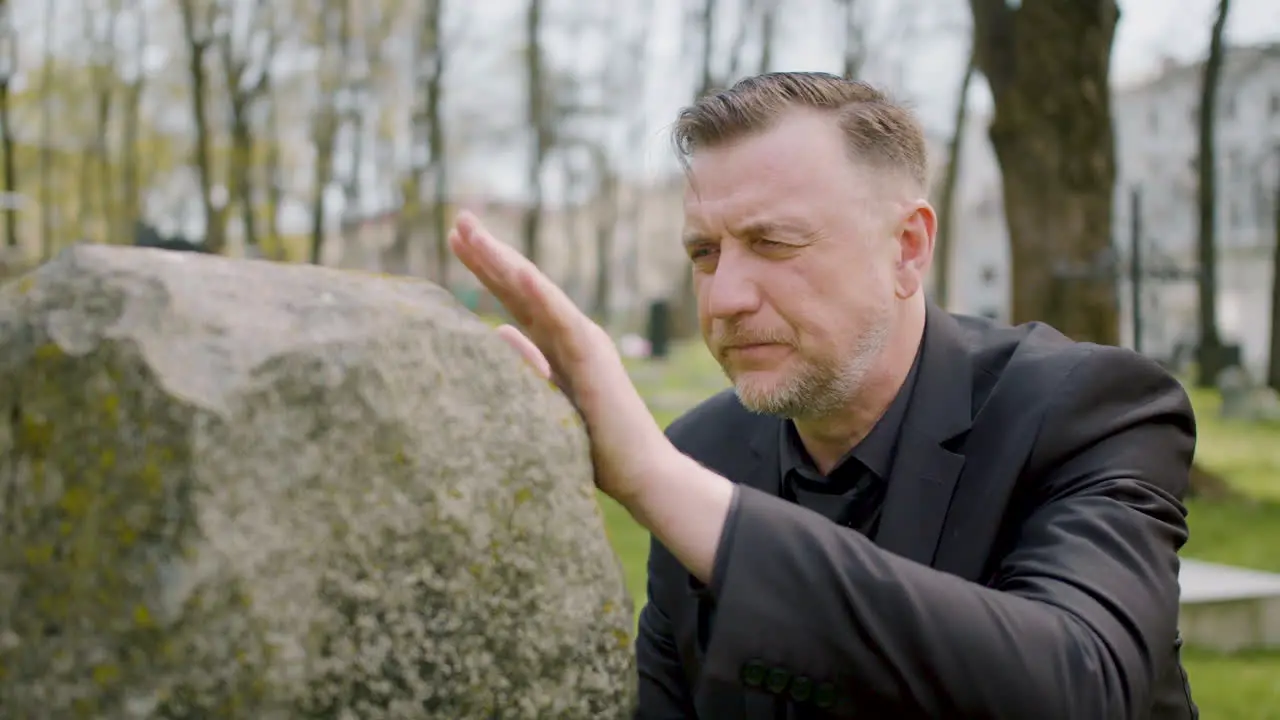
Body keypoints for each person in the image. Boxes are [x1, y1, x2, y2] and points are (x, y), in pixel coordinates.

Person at [447, 72, 1198, 719]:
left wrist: (654, 480)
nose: (726, 296)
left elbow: (1084, 687)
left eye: (774, 244)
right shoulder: (704, 452)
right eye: (704, 252)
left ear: (907, 248)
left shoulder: (1086, 409)